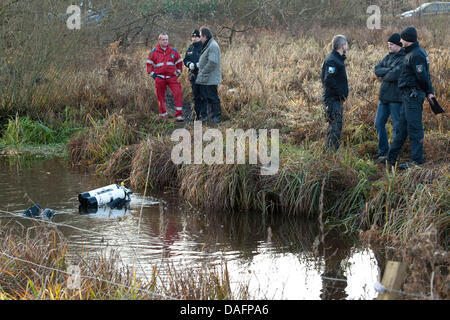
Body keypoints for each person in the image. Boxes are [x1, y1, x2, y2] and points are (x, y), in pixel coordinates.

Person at [382, 27, 435, 169]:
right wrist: (429, 91)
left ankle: (416, 162)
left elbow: (423, 76)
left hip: (413, 95)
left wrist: (429, 92)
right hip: (407, 96)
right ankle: (391, 158)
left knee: (414, 129)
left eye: (402, 39)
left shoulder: (416, 54)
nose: (400, 41)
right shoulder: (412, 52)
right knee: (402, 128)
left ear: (408, 40)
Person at [373, 33, 405, 160]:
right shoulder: (388, 57)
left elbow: (395, 75)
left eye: (391, 45)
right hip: (384, 98)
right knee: (378, 123)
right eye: (388, 44)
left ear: (398, 45)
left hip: (396, 99)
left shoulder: (403, 58)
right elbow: (377, 70)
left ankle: (394, 154)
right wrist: (388, 70)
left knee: (397, 126)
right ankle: (383, 150)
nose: (389, 47)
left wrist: (385, 72)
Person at [146, 33, 184, 121]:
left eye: (166, 39)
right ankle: (163, 115)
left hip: (172, 77)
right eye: (163, 39)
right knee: (160, 96)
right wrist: (153, 74)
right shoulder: (153, 52)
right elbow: (148, 64)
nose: (165, 41)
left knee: (178, 93)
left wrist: (178, 72)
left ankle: (178, 115)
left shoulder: (174, 51)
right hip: (159, 77)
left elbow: (179, 62)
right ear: (159, 40)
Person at [321, 35, 349, 150]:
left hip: (336, 99)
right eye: (346, 44)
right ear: (343, 46)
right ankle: (331, 153)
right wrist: (340, 93)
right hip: (332, 99)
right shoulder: (332, 60)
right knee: (335, 126)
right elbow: (328, 79)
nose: (347, 46)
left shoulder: (337, 59)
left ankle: (332, 152)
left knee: (336, 125)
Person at [196, 27, 222, 123]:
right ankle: (211, 115)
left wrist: (203, 71)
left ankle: (217, 117)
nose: (199, 38)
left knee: (213, 97)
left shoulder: (213, 46)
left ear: (205, 36)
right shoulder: (209, 44)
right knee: (209, 97)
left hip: (211, 77)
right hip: (207, 77)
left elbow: (212, 62)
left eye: (200, 36)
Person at [183, 29, 203, 120]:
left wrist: (200, 64)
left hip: (203, 75)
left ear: (200, 38)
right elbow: (185, 59)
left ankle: (205, 115)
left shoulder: (204, 47)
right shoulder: (190, 48)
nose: (194, 39)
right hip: (193, 76)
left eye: (196, 37)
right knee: (196, 96)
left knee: (204, 95)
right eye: (193, 37)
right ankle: (197, 115)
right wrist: (189, 64)